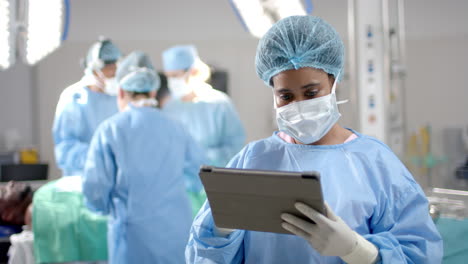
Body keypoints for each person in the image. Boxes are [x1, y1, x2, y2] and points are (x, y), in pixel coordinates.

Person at [186, 16, 443, 263]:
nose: (299, 105)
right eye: (286, 96)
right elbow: (201, 254)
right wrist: (221, 233)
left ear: (333, 82)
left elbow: (419, 254)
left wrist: (357, 250)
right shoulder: (252, 159)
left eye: (311, 92)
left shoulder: (375, 163)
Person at [82, 51, 203, 264]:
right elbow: (197, 176)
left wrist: (106, 207)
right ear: (154, 91)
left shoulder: (110, 130)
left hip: (132, 236)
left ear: (120, 92)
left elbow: (96, 191)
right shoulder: (177, 128)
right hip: (175, 231)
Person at [52, 38, 121, 176]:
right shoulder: (74, 98)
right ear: (95, 71)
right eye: (110, 70)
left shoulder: (119, 97)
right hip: (82, 178)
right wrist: (101, 156)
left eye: (116, 70)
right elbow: (65, 149)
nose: (114, 75)